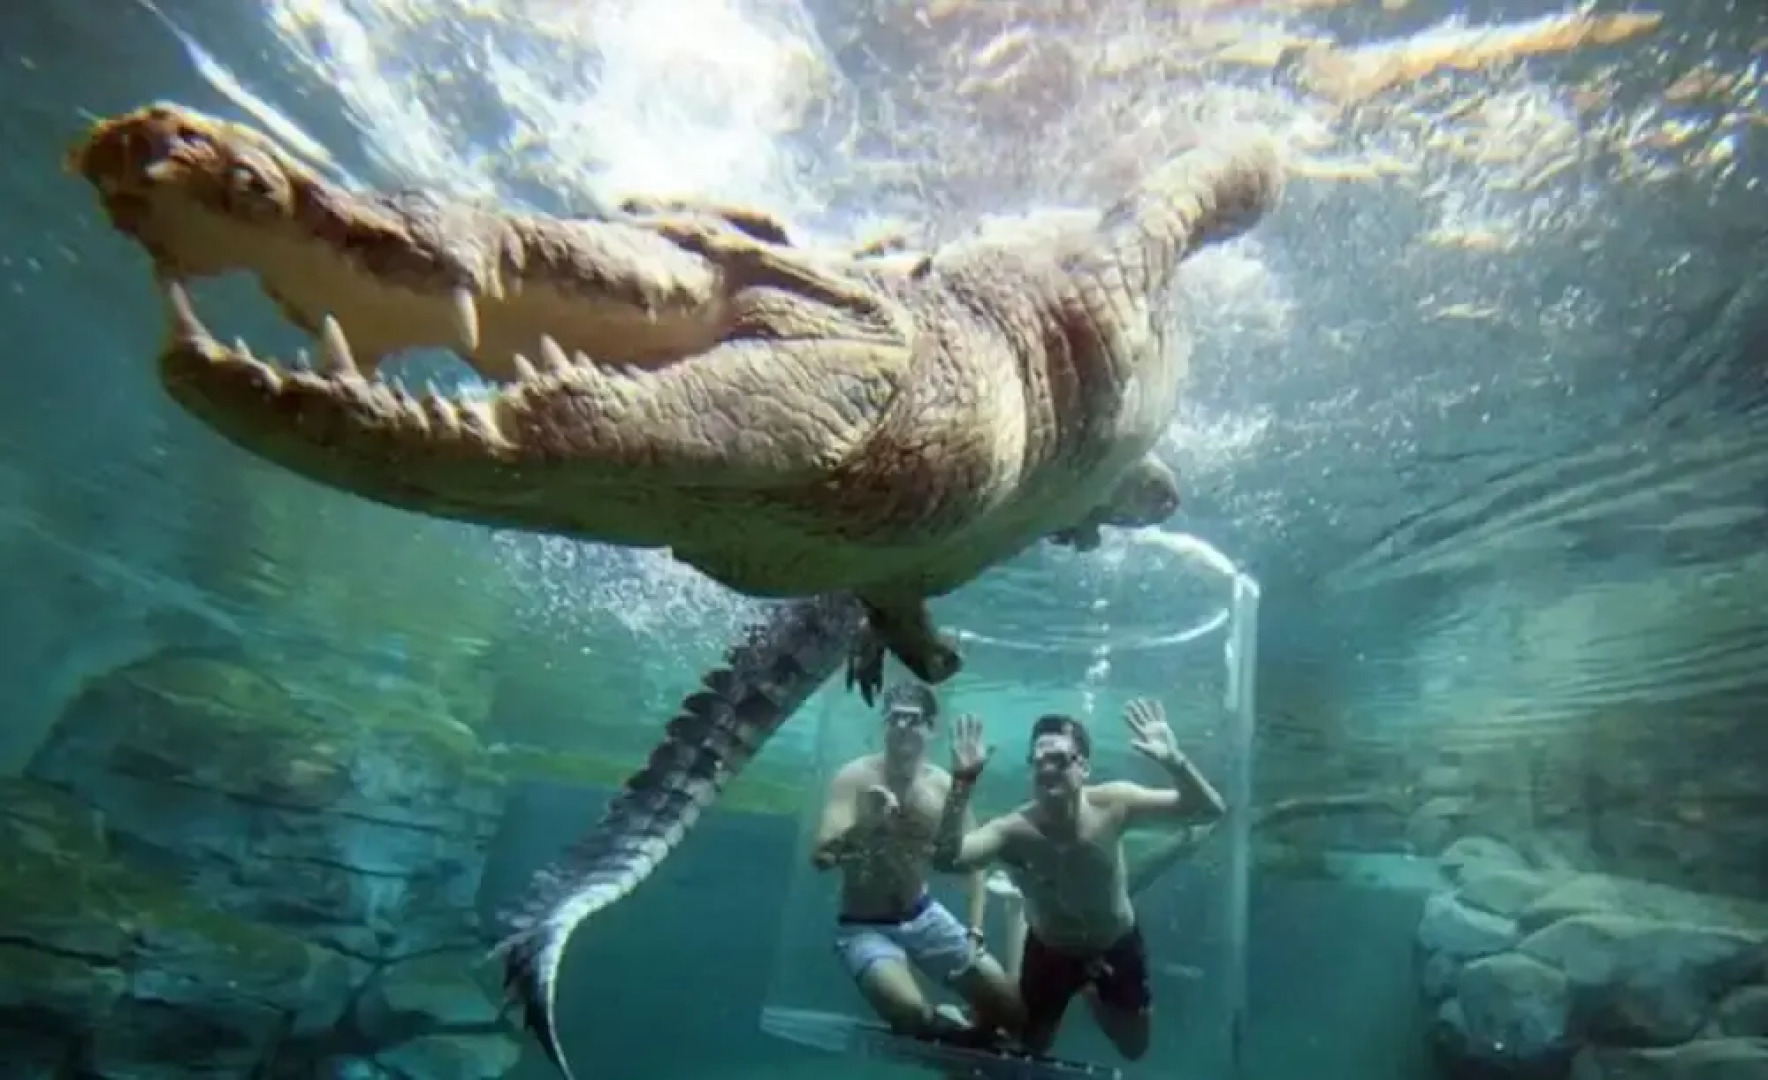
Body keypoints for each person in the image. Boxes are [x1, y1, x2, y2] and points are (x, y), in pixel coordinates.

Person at [929, 699, 1227, 1061]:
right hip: (1051, 949)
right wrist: (961, 785)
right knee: (1033, 1044)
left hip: (1114, 942)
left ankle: (1087, 988)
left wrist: (1175, 761)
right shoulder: (1013, 830)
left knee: (1134, 1049)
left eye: (1059, 760)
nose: (1047, 769)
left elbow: (1209, 810)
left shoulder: (1114, 804)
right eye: (1039, 761)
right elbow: (947, 860)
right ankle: (1019, 927)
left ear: (1083, 767)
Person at [810, 682, 1026, 1043]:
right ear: (884, 724)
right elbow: (821, 858)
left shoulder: (943, 785)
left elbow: (973, 861)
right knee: (909, 1013)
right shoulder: (855, 778)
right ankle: (941, 1023)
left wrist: (974, 933)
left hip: (922, 914)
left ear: (930, 729)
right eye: (894, 718)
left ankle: (964, 1024)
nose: (901, 727)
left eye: (912, 719)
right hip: (863, 924)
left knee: (1013, 1013)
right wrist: (867, 825)